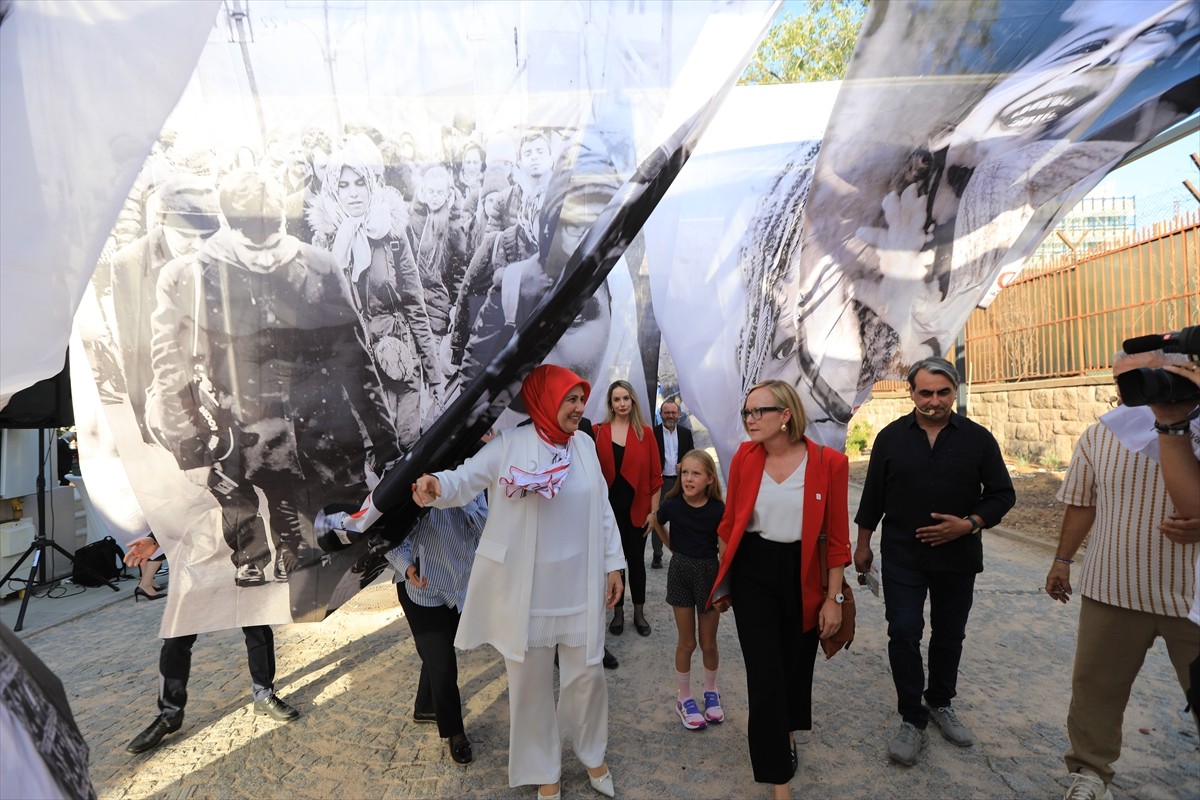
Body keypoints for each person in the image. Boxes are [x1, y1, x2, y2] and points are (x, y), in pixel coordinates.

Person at [149, 167, 396, 590]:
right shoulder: (190, 275)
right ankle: (260, 556)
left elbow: (355, 358)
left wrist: (385, 443)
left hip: (324, 435)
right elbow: (170, 367)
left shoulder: (318, 264)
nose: (265, 257)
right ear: (229, 228)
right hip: (241, 427)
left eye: (274, 241)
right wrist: (191, 451)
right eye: (251, 246)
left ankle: (299, 557)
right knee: (254, 506)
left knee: (350, 558)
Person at [411, 364, 624, 800]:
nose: (579, 407)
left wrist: (614, 564)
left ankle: (592, 753)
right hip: (528, 593)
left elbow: (603, 509)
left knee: (588, 677)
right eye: (570, 399)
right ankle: (545, 770)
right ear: (545, 400)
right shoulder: (509, 445)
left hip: (580, 587)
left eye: (581, 399)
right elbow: (464, 479)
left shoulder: (584, 445)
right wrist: (437, 486)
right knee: (530, 687)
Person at [1045, 351, 1199, 800]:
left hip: (1193, 598)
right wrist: (1062, 560)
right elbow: (1082, 502)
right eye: (1122, 379)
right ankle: (1089, 773)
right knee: (1095, 690)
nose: (1132, 386)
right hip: (1113, 587)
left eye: (1144, 375)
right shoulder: (1101, 433)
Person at [854, 357, 1015, 767]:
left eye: (943, 393)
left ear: (955, 392)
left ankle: (940, 702)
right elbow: (872, 497)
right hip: (902, 556)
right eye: (925, 393)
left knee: (949, 634)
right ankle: (912, 717)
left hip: (958, 557)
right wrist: (863, 545)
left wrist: (968, 524)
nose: (934, 401)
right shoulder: (890, 439)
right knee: (903, 632)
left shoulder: (978, 440)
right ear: (911, 393)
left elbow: (1002, 494)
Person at [707, 379, 849, 799]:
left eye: (759, 412)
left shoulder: (829, 463)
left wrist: (833, 598)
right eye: (746, 412)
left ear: (785, 415)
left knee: (795, 664)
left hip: (803, 572)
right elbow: (730, 522)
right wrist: (725, 572)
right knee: (765, 673)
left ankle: (786, 729)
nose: (750, 419)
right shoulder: (744, 458)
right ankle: (779, 780)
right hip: (754, 573)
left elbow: (836, 539)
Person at [307, 144, 445, 448]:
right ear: (333, 190)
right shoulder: (325, 242)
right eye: (343, 185)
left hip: (400, 359)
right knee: (378, 455)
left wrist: (434, 374)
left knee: (409, 446)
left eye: (360, 183)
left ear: (371, 184)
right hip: (357, 369)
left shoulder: (393, 233)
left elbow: (415, 305)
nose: (353, 193)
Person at [122, 533, 299, 754]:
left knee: (256, 626)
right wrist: (154, 539)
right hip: (196, 565)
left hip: (238, 554)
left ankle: (263, 694)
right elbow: (176, 513)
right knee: (176, 638)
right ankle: (170, 714)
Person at [385, 492, 488, 766]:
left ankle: (425, 706)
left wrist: (460, 493)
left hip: (459, 584)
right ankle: (455, 732)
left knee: (437, 653)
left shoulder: (469, 481)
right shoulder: (410, 481)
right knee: (443, 663)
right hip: (420, 587)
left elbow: (487, 530)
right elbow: (389, 532)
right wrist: (406, 565)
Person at [651, 449, 724, 731]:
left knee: (708, 643)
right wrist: (673, 547)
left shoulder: (718, 510)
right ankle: (684, 697)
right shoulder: (672, 505)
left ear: (709, 479)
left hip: (709, 575)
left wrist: (725, 587)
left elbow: (724, 550)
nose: (688, 479)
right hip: (680, 574)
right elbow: (656, 520)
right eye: (684, 473)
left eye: (696, 474)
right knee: (687, 643)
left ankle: (711, 691)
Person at [594, 380, 662, 637]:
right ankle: (618, 613)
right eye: (616, 399)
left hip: (638, 512)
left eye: (626, 398)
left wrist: (653, 513)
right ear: (610, 404)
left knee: (636, 563)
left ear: (632, 401)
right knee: (615, 564)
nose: (622, 403)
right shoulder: (598, 432)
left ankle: (639, 614)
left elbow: (656, 478)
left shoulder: (645, 433)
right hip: (609, 514)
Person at [652, 399, 695, 569]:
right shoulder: (653, 433)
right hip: (660, 482)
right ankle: (657, 555)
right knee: (658, 518)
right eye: (666, 413)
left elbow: (692, 455)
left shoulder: (686, 433)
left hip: (680, 482)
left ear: (679, 414)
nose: (670, 415)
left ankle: (681, 553)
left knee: (682, 518)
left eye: (673, 412)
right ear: (661, 414)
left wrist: (685, 463)